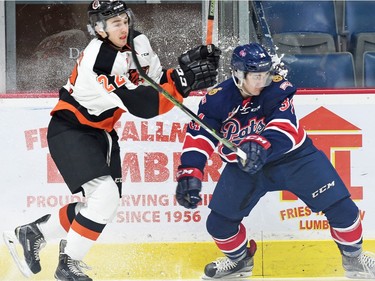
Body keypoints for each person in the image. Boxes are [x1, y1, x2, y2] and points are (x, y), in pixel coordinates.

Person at [3, 1, 220, 281]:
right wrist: (184, 81)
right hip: (71, 130)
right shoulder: (100, 61)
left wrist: (183, 70)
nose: (123, 27)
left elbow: (151, 82)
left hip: (102, 133)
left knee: (103, 202)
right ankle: (68, 265)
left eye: (124, 20)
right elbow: (144, 105)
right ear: (98, 29)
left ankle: (35, 233)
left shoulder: (138, 41)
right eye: (115, 23)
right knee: (103, 196)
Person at [175, 42, 375, 280]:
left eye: (265, 75)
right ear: (238, 74)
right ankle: (239, 262)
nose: (263, 82)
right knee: (218, 225)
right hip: (245, 167)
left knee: (344, 210)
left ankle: (354, 259)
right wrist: (190, 172)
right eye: (256, 77)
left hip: (295, 159)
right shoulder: (217, 100)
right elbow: (200, 136)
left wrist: (259, 144)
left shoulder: (278, 87)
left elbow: (285, 128)